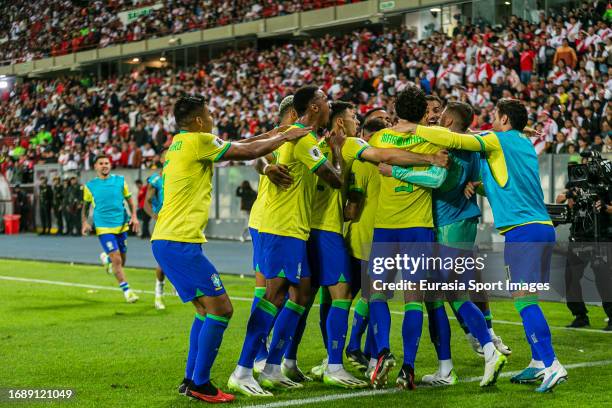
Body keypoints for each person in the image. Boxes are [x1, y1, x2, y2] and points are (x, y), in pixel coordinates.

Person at [397, 98, 567, 392]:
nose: (491, 120)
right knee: (527, 297)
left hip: (522, 232)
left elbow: (452, 137)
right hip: (540, 227)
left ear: (504, 120)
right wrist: (480, 187)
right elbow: (508, 186)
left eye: (495, 116)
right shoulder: (524, 143)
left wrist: (412, 127)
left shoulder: (496, 140)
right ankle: (538, 362)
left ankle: (552, 364)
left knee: (523, 299)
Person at [151, 95, 312, 403]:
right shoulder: (200, 140)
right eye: (209, 114)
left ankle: (191, 379)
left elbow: (243, 143)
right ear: (199, 121)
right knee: (222, 309)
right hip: (179, 243)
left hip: (168, 240)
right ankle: (201, 383)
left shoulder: (180, 143)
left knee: (204, 311)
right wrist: (286, 135)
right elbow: (249, 151)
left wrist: (278, 131)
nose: (213, 118)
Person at [308, 100, 450, 389]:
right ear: (423, 112)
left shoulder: (376, 140)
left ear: (396, 113)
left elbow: (357, 195)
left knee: (368, 295)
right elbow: (439, 175)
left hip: (379, 229)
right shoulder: (430, 138)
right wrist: (431, 159)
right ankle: (407, 366)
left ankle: (377, 352)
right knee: (413, 300)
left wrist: (393, 171)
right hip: (417, 228)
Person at [381, 101, 511, 387]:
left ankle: (488, 347)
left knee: (451, 294)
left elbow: (437, 179)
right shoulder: (472, 143)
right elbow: (476, 173)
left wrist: (395, 171)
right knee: (437, 296)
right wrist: (472, 184)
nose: (436, 119)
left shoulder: (448, 146)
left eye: (441, 116)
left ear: (449, 123)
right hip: (463, 222)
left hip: (448, 225)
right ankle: (446, 369)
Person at [246, 95, 298, 376]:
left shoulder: (298, 137)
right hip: (267, 221)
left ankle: (279, 357)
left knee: (288, 291)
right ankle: (258, 353)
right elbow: (257, 155)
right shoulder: (279, 137)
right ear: (292, 113)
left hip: (287, 222)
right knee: (267, 288)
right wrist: (267, 168)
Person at [344, 108, 392, 378]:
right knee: (374, 295)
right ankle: (364, 352)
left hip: (368, 237)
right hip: (375, 237)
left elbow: (353, 205)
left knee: (371, 295)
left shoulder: (368, 162)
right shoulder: (380, 162)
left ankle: (365, 353)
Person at [82, 155, 140, 304]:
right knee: (117, 259)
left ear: (110, 165)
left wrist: (134, 216)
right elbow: (85, 207)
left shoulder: (120, 181)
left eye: (106, 163)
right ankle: (127, 291)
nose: (104, 165)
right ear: (95, 166)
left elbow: (130, 201)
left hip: (121, 225)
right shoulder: (90, 186)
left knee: (122, 260)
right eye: (101, 163)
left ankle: (106, 258)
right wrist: (85, 222)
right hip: (103, 226)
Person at [556, 190, 612, 331]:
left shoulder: (604, 182)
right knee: (570, 278)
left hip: (599, 239)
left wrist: (605, 207)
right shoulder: (574, 185)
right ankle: (580, 316)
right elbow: (565, 207)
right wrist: (563, 200)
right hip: (577, 239)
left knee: (604, 280)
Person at [143, 149, 168, 310]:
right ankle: (159, 291)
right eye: (167, 155)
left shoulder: (180, 177)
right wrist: (155, 216)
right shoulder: (156, 180)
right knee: (163, 262)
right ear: (161, 159)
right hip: (163, 224)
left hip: (182, 224)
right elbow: (146, 203)